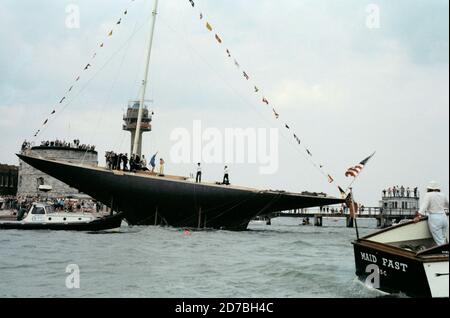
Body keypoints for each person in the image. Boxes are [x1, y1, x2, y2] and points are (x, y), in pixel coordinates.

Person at [414, 181, 449, 246]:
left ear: (429, 188)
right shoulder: (443, 195)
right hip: (444, 217)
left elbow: (423, 207)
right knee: (443, 238)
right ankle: (445, 253)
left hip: (435, 218)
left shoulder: (428, 195)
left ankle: (443, 254)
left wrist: (418, 217)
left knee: (440, 241)